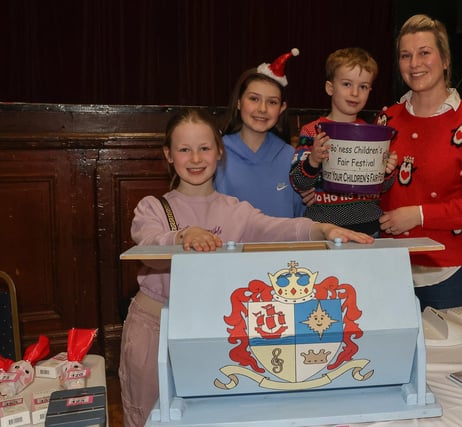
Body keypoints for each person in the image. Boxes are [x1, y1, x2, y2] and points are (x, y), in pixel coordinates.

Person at [119, 108, 373, 427]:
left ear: (219, 152)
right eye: (184, 149)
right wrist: (183, 235)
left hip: (208, 331)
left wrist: (322, 230)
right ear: (168, 155)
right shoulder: (152, 207)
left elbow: (279, 229)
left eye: (204, 148)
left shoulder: (237, 211)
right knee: (148, 415)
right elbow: (149, 247)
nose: (195, 158)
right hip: (154, 327)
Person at [376, 14, 462, 311]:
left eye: (424, 53)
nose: (414, 63)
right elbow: (372, 192)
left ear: (445, 60)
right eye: (405, 56)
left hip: (450, 275)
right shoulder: (386, 120)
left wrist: (418, 215)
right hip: (391, 269)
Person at [289, 47, 398, 235]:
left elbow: (384, 186)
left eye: (363, 86)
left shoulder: (373, 134)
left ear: (370, 90)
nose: (355, 93)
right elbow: (298, 181)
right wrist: (313, 160)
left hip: (369, 224)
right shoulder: (313, 131)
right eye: (347, 84)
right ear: (330, 88)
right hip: (323, 226)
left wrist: (387, 171)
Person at [215, 48, 306, 218]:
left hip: (281, 245)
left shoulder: (291, 158)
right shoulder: (216, 153)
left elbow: (303, 220)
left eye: (272, 102)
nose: (262, 109)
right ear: (239, 102)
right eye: (254, 99)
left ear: (282, 108)